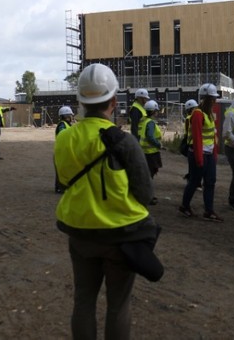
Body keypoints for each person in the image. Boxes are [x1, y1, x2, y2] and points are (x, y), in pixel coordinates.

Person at [54, 63, 157, 339]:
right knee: (119, 306)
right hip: (120, 237)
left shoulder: (64, 139)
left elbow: (64, 180)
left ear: (81, 102)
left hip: (81, 233)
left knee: (83, 302)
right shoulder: (124, 142)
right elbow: (145, 194)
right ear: (113, 102)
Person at [179, 83, 223, 222]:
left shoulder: (209, 113)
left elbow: (212, 135)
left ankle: (208, 211)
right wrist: (199, 158)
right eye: (213, 98)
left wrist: (214, 154)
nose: (215, 100)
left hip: (208, 154)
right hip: (199, 154)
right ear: (206, 98)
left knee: (210, 181)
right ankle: (185, 206)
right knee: (194, 181)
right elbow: (197, 138)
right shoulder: (198, 114)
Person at [139, 100, 162, 205]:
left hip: (146, 152)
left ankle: (147, 195)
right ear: (153, 112)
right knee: (149, 175)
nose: (157, 113)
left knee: (148, 175)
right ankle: (148, 197)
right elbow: (150, 137)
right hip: (151, 153)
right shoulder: (151, 123)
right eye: (156, 111)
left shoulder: (145, 121)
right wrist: (158, 144)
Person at [54, 106, 74, 194]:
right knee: (61, 169)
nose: (71, 117)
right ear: (66, 116)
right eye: (70, 115)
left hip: (66, 149)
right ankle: (59, 187)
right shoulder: (62, 124)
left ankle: (63, 186)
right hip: (62, 150)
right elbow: (62, 134)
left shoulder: (68, 125)